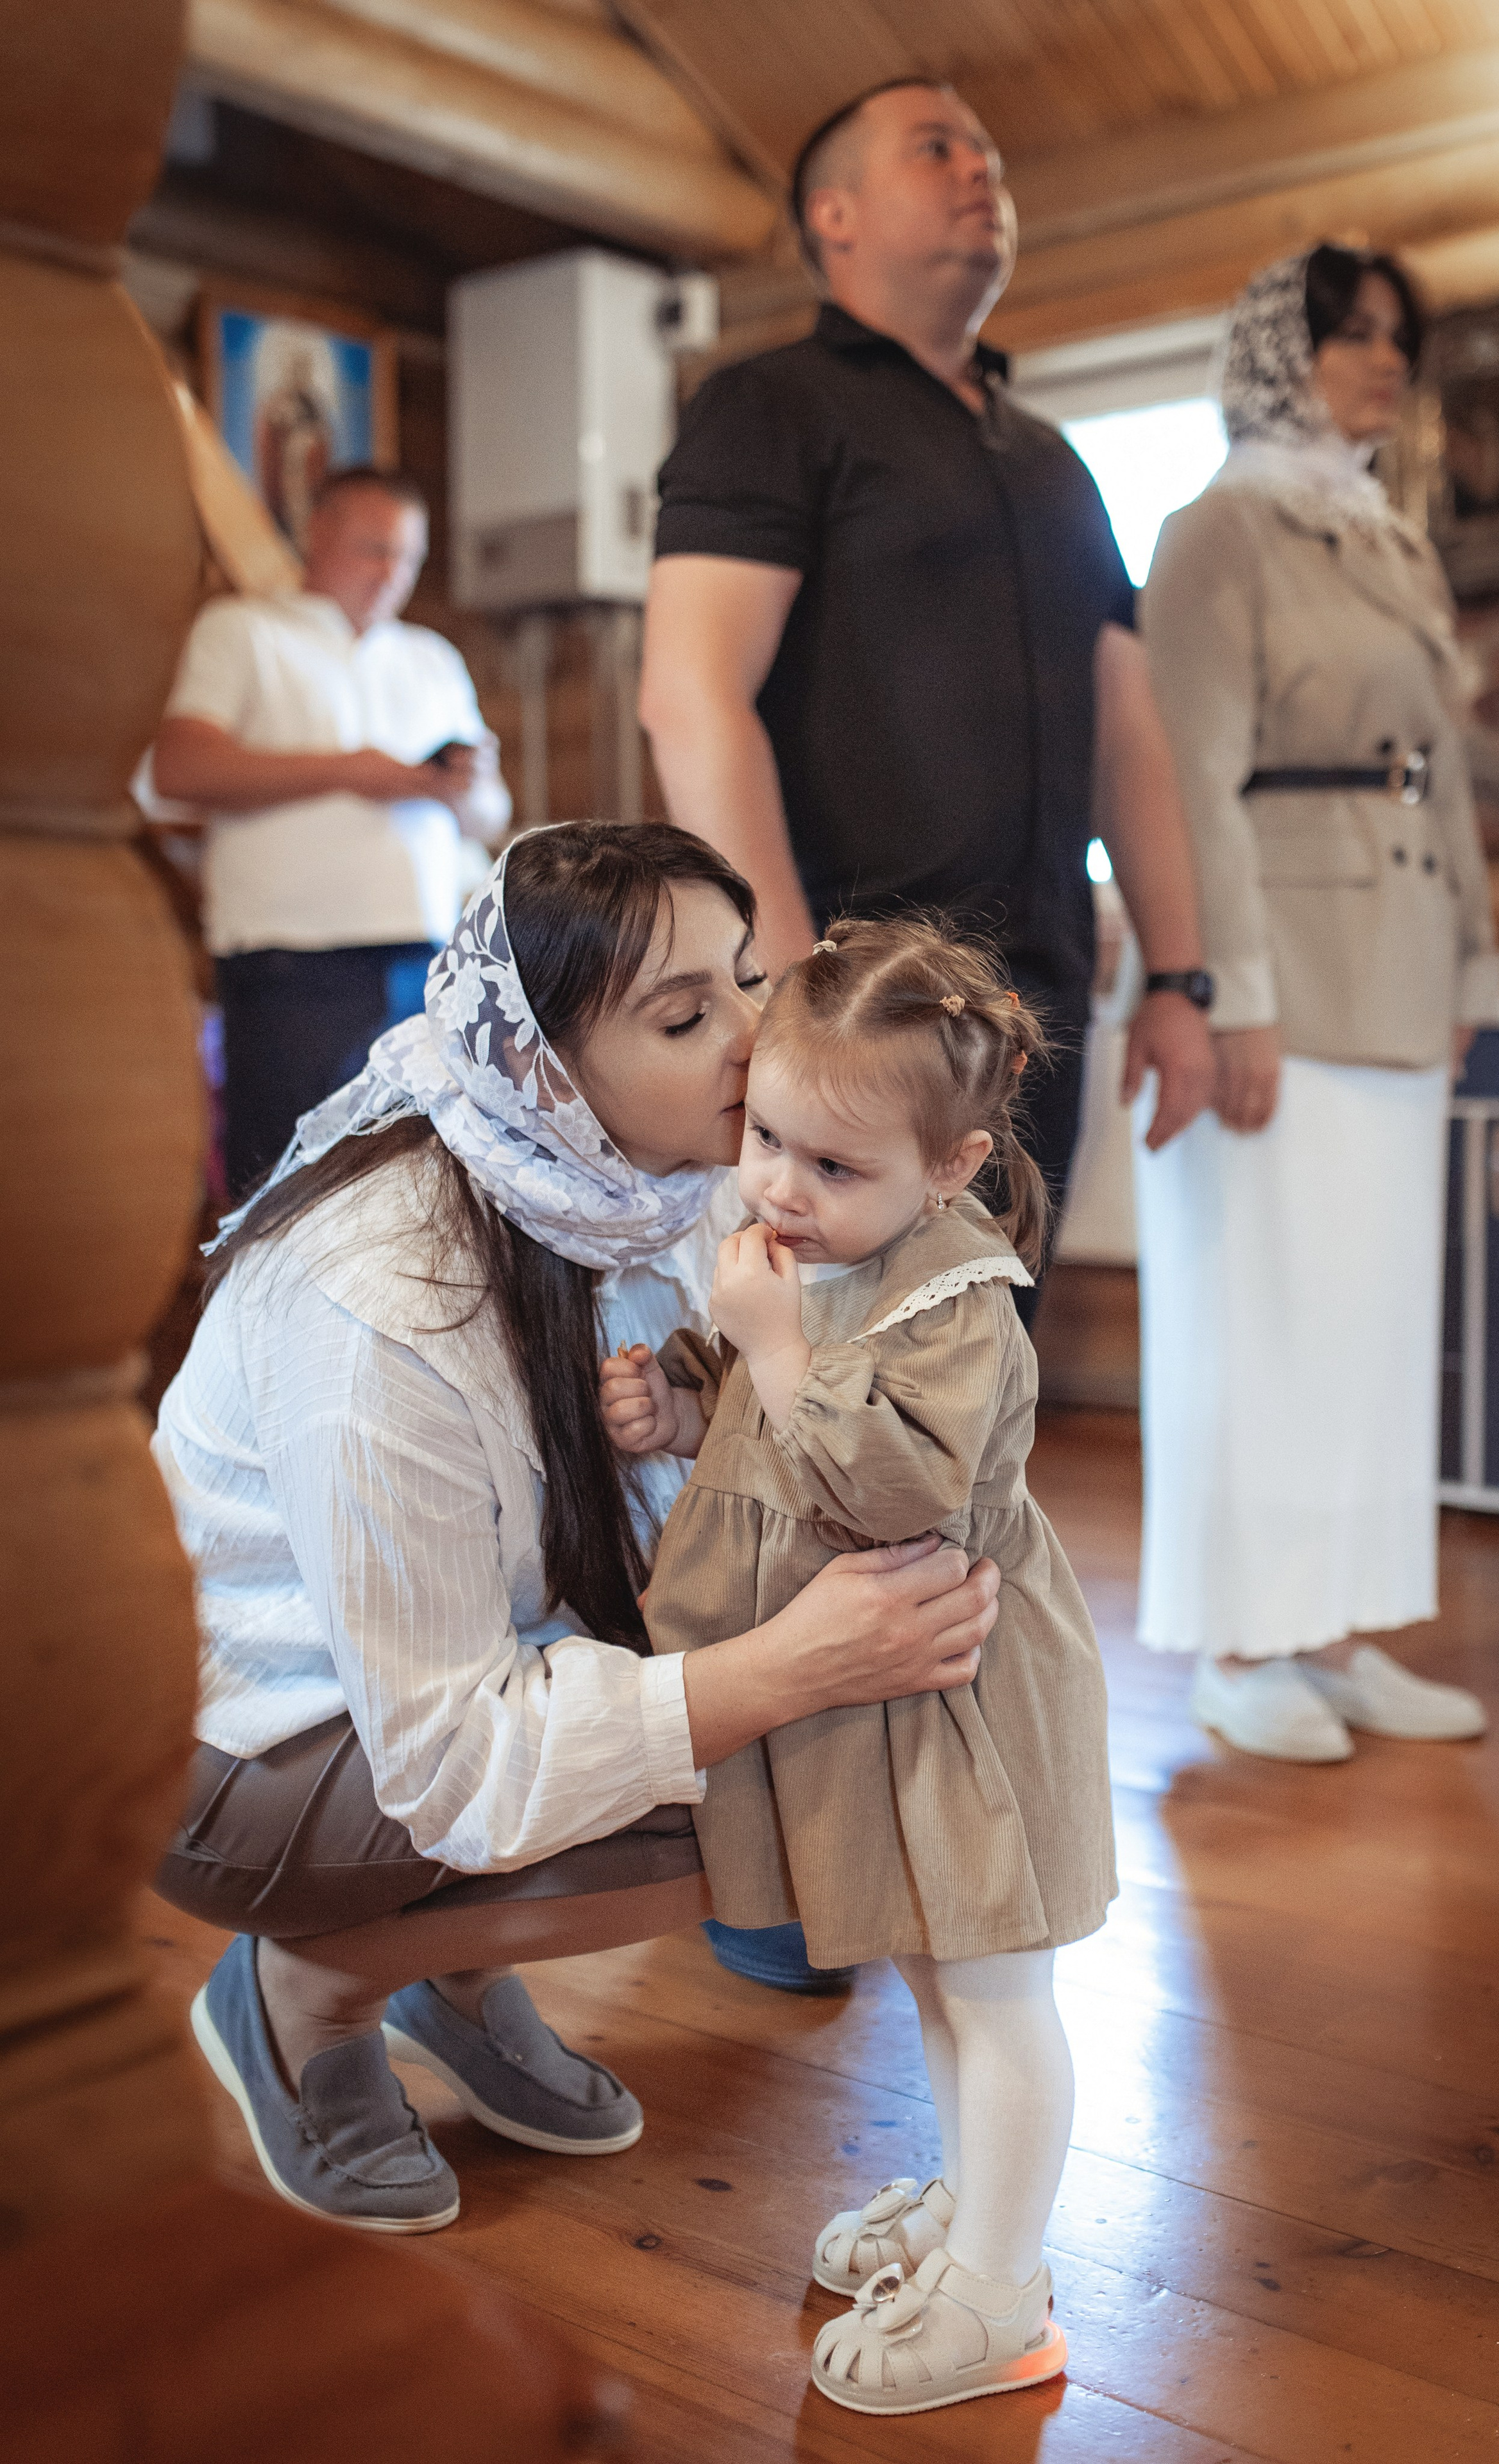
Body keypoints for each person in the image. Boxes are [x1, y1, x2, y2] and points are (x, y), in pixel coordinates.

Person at [151, 822, 1001, 2233]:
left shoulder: (654, 1184)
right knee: (756, 1762)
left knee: (823, 1735)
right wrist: (785, 1666)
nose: (754, 1035)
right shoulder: (384, 1294)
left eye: (747, 977)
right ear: (546, 1068)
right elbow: (440, 1753)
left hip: (431, 1691)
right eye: (684, 1015)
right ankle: (300, 1998)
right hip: (243, 1751)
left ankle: (456, 1977)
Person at [642, 73, 1211, 1992]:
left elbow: (1130, 731)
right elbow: (688, 695)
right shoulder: (772, 407)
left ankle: (927, 1850)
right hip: (851, 1055)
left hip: (1020, 1041)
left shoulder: (1052, 459)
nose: (982, 165)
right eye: (932, 144)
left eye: (989, 141)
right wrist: (778, 1006)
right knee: (808, 1452)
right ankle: (767, 1884)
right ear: (831, 222)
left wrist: (1187, 973)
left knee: (953, 1459)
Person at [600, 917, 1114, 2416]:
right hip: (869, 1700)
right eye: (763, 1136)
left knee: (994, 1983)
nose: (776, 1186)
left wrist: (764, 1350)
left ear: (949, 1166)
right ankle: (970, 2207)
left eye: (831, 1166)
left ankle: (1003, 2296)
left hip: (961, 1697)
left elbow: (893, 1497)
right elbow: (770, 1430)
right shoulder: (810, 1253)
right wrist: (687, 1407)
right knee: (929, 1968)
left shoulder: (953, 1298)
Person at [1134, 246, 1499, 1761]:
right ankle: (1243, 1641)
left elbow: (1444, 768)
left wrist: (1472, 952)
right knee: (1262, 1310)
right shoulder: (1215, 528)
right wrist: (1232, 993)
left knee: (1360, 1320)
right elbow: (1189, 778)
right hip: (1282, 958)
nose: (1382, 357)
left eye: (1393, 337)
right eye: (1349, 333)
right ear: (1281, 350)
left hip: (1400, 963)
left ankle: (1338, 1626)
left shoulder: (1388, 541)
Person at [149, 464, 511, 1199]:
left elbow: (491, 817)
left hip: (424, 960)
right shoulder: (244, 630)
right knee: (285, 1190)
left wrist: (458, 788)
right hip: (292, 967)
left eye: (408, 557)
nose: (391, 573)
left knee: (413, 1184)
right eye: (372, 548)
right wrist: (351, 772)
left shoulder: (432, 659)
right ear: (317, 533)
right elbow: (178, 769)